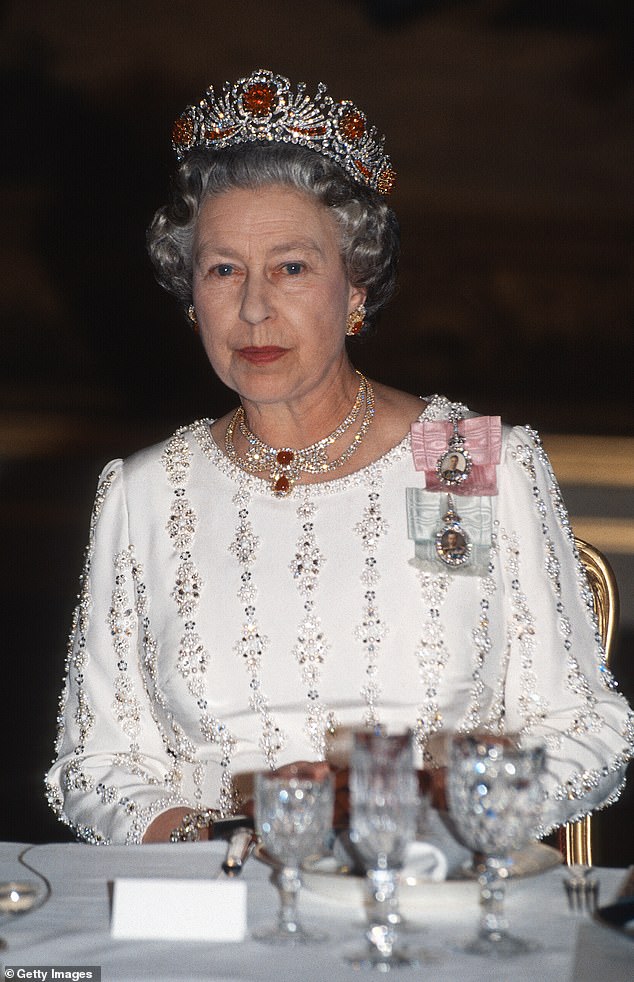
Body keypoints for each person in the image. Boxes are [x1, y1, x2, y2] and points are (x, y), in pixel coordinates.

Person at [45, 69, 632, 846]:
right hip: (215, 921)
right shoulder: (148, 492)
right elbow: (95, 763)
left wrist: (427, 822)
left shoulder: (451, 462)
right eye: (224, 270)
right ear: (191, 297)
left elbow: (584, 727)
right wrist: (222, 847)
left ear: (355, 285)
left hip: (427, 905)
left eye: (292, 267)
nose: (255, 307)